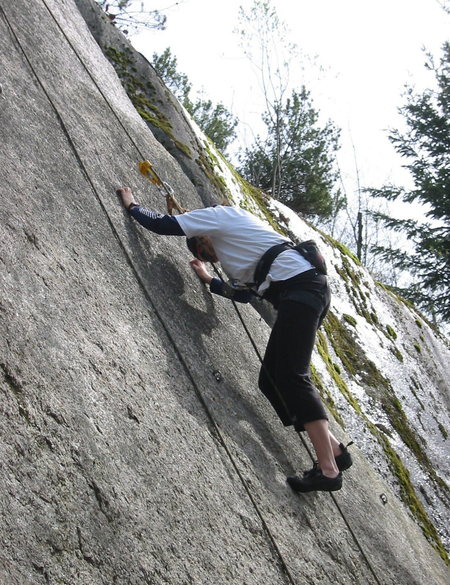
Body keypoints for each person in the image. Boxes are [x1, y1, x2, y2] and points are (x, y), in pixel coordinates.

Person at [117, 186, 352, 492]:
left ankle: (329, 470)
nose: (207, 256)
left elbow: (163, 224)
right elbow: (243, 295)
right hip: (300, 294)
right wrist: (210, 280)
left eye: (202, 250)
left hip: (303, 290)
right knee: (271, 380)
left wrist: (133, 205)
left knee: (293, 376)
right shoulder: (233, 255)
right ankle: (334, 450)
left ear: (203, 233)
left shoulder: (224, 216)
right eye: (203, 256)